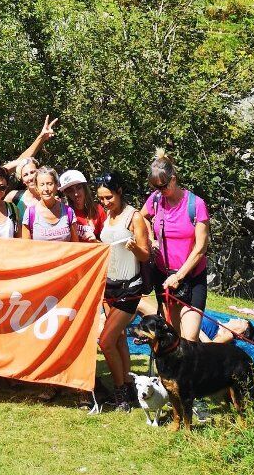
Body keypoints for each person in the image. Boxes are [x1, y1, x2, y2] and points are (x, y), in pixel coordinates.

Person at [141, 150, 210, 342]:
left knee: (189, 338)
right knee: (171, 336)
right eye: (155, 187)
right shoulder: (155, 199)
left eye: (162, 186)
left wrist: (179, 276)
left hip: (191, 277)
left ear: (173, 179)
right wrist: (151, 239)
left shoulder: (196, 205)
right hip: (163, 276)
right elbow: (141, 218)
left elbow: (201, 248)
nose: (159, 191)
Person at [96, 171, 151, 412]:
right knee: (118, 340)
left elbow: (145, 254)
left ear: (119, 192)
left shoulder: (134, 217)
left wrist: (134, 247)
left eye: (108, 197)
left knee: (106, 341)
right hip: (109, 286)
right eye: (101, 199)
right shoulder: (107, 216)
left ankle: (120, 395)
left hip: (130, 288)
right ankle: (127, 384)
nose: (105, 202)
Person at [22, 167, 79, 243]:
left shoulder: (69, 212)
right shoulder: (30, 213)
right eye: (42, 185)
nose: (46, 188)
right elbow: (26, 247)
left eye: (50, 184)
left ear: (57, 185)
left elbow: (76, 246)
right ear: (37, 188)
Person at [59, 169, 104, 242]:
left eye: (79, 188)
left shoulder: (98, 210)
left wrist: (96, 241)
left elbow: (106, 243)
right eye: (70, 191)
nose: (76, 194)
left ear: (85, 188)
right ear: (66, 194)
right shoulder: (64, 213)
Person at [9, 156, 40, 222]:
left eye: (32, 172)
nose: (30, 178)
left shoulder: (48, 197)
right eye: (25, 175)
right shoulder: (14, 197)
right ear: (22, 180)